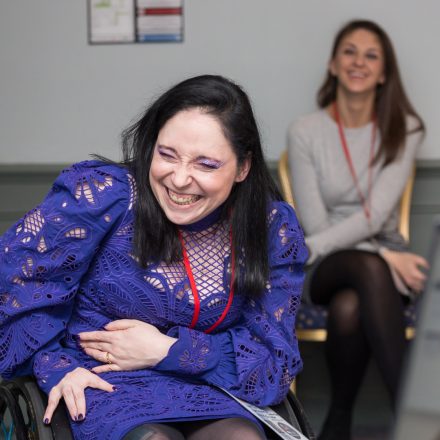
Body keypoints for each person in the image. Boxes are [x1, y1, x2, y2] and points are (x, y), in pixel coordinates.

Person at [0, 75, 308, 440]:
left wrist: (167, 350)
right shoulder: (105, 196)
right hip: (101, 382)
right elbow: (17, 283)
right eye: (167, 155)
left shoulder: (270, 228)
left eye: (206, 164)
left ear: (242, 168)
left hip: (204, 385)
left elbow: (272, 361)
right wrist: (56, 366)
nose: (179, 179)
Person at [287, 20, 429, 440]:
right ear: (333, 64)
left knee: (350, 307)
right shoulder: (305, 132)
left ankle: (338, 420)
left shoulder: (405, 129)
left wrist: (379, 253)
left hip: (376, 268)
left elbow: (375, 214)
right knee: (365, 270)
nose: (358, 62)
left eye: (371, 55)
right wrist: (386, 256)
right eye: (349, 51)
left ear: (384, 72)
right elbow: (314, 225)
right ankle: (419, 420)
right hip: (329, 264)